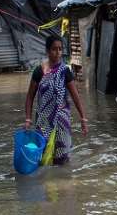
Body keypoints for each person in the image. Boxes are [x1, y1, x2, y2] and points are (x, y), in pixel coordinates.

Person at [24, 35, 88, 165]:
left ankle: (62, 183)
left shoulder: (65, 71)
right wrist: (28, 119)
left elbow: (75, 96)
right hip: (43, 121)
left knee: (62, 160)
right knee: (42, 159)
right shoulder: (39, 71)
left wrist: (83, 118)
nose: (58, 52)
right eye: (54, 49)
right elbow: (30, 97)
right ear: (47, 51)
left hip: (62, 121)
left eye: (60, 49)